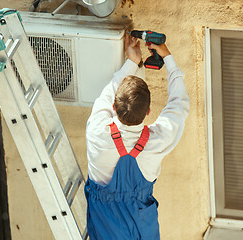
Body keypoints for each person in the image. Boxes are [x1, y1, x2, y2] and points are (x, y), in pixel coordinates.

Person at [84, 33, 190, 240]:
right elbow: (180, 104)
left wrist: (132, 62)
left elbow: (107, 93)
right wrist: (167, 57)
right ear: (148, 111)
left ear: (114, 107)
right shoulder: (157, 141)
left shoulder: (97, 129)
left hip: (105, 229)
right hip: (143, 231)